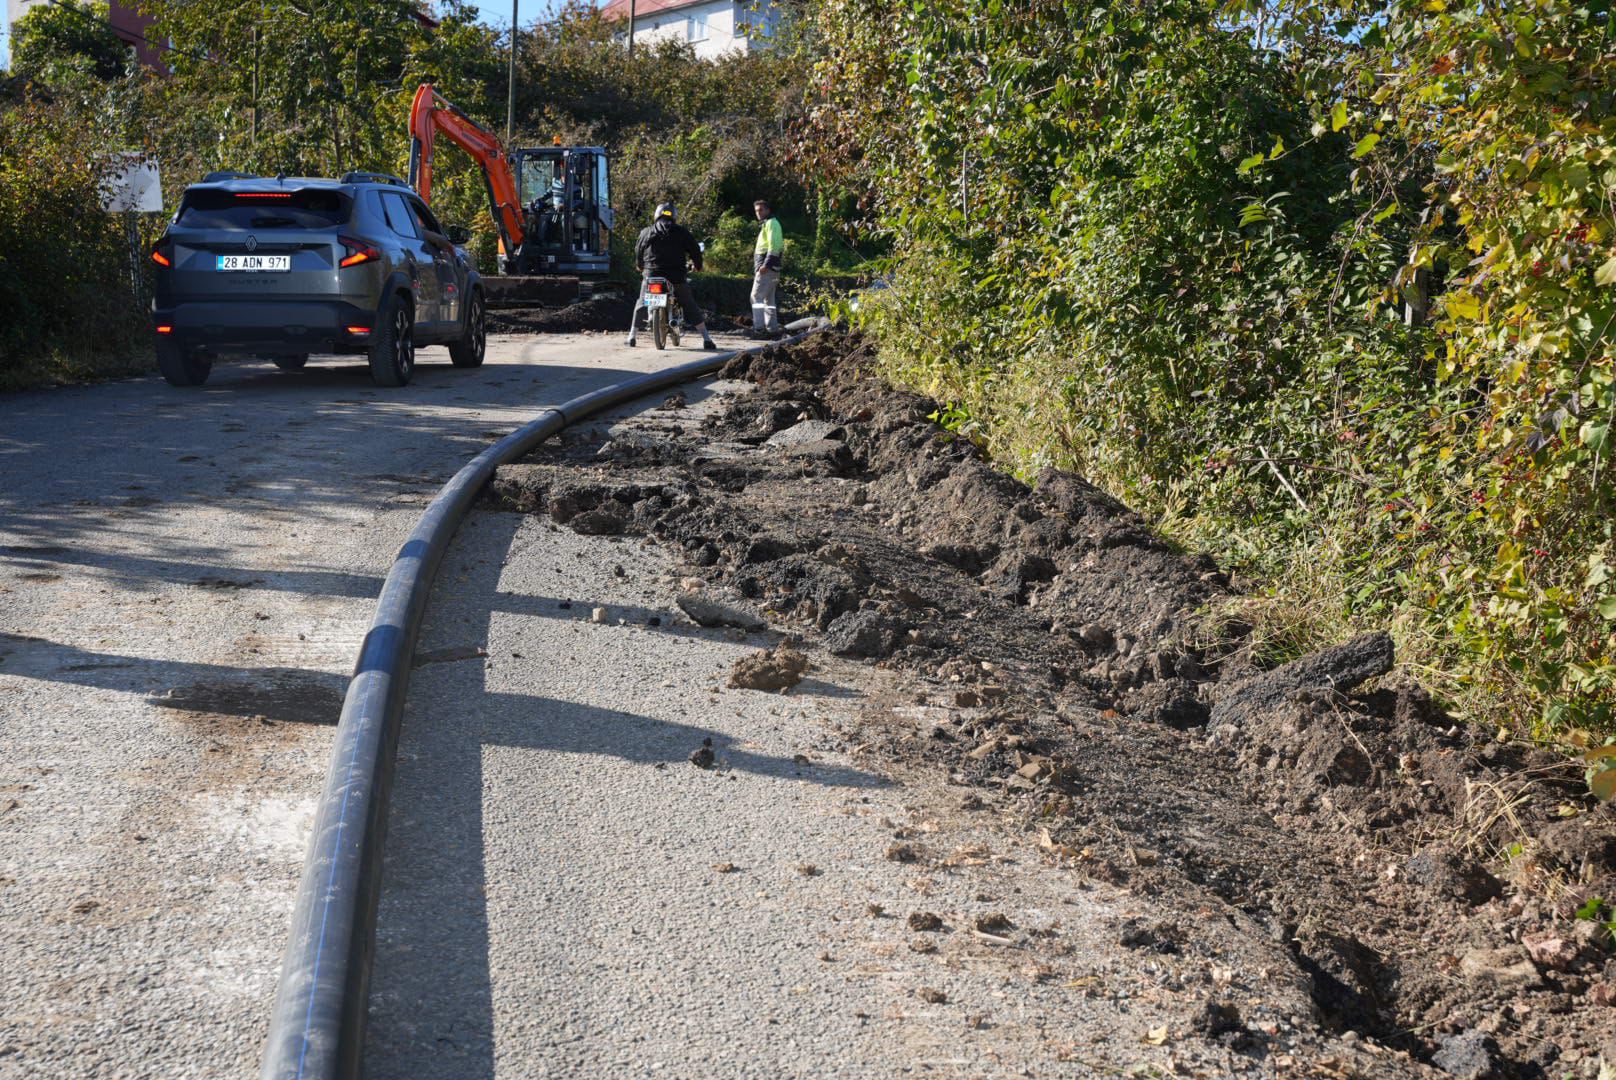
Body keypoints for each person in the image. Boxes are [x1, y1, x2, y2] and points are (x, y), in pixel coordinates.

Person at [627, 202, 717, 350]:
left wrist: (640, 266)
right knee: (688, 304)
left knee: (642, 302)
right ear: (674, 216)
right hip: (676, 277)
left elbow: (638, 251)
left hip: (652, 275)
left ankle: (632, 336)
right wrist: (698, 266)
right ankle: (706, 338)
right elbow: (695, 250)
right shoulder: (682, 232)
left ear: (656, 215)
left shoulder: (646, 232)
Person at [750, 199, 784, 337]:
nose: (758, 213)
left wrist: (765, 265)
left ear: (768, 210)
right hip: (771, 268)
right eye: (757, 211)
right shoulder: (768, 224)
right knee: (768, 299)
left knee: (756, 297)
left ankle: (759, 329)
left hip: (767, 268)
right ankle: (772, 328)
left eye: (761, 210)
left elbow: (774, 246)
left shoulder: (771, 223)